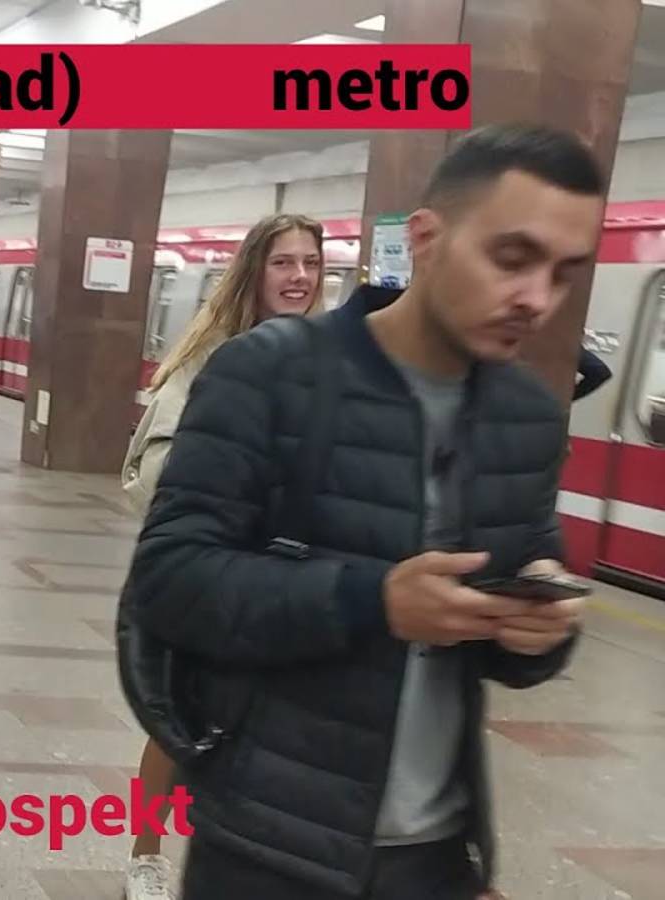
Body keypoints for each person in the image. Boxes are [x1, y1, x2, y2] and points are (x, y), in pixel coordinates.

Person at [125, 123, 597, 900]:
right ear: (427, 239)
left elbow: (518, 598)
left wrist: (540, 631)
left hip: (437, 855)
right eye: (512, 258)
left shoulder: (526, 416)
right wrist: (372, 600)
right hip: (268, 848)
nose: (537, 298)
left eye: (564, 273)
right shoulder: (269, 374)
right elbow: (170, 582)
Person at [117, 212, 326, 900]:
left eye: (310, 263)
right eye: (283, 262)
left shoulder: (332, 359)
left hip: (287, 577)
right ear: (254, 271)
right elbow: (153, 466)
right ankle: (145, 856)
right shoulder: (211, 357)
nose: (298, 277)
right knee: (178, 716)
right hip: (211, 569)